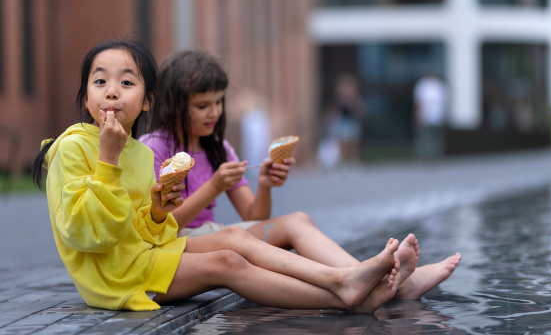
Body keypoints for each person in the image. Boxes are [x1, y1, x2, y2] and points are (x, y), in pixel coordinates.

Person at [31, 37, 417, 313]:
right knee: (228, 263)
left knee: (234, 235)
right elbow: (87, 235)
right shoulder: (74, 148)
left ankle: (350, 283)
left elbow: (145, 232)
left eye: (126, 83)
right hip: (113, 277)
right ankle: (344, 288)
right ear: (86, 97)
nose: (112, 92)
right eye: (100, 82)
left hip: (142, 257)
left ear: (147, 100)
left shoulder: (139, 152)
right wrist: (108, 162)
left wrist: (156, 212)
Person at [140, 50, 462, 300]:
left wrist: (265, 185)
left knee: (297, 220)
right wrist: (212, 188)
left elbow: (254, 216)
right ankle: (371, 280)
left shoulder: (219, 148)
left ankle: (370, 277)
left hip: (217, 234)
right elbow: (160, 226)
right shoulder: (153, 148)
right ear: (175, 106)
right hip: (180, 243)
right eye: (202, 105)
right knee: (237, 237)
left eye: (218, 103)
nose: (214, 113)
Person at [413, 74, 447, 159]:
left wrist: (417, 115)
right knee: (435, 137)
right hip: (437, 117)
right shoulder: (440, 85)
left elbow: (419, 102)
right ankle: (435, 155)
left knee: (426, 137)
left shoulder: (423, 85)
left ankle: (427, 155)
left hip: (427, 116)